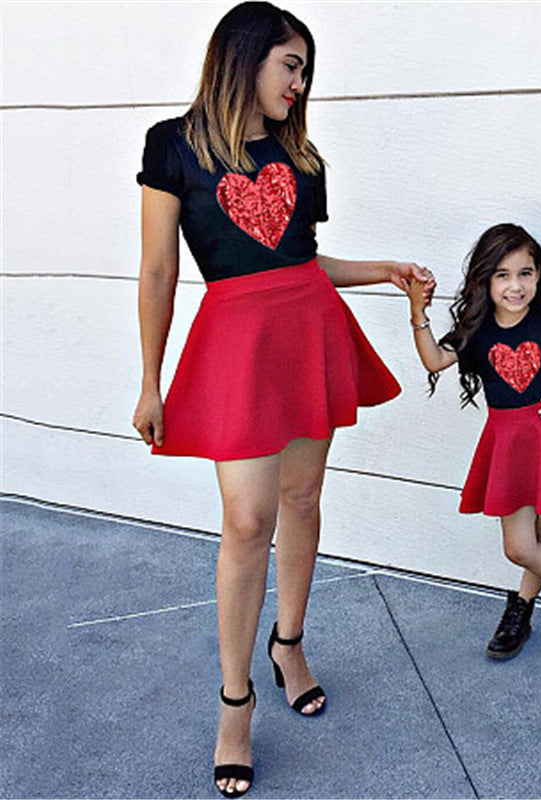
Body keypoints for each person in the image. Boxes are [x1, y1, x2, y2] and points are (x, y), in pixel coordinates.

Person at [131, 3, 433, 797]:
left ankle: (289, 641)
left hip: (307, 332)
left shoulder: (302, 157)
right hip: (237, 340)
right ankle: (237, 703)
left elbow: (297, 258)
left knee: (302, 496)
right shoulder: (174, 145)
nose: (300, 83)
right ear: (244, 57)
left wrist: (381, 270)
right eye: (289, 64)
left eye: (305, 69)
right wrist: (149, 380)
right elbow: (160, 271)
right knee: (246, 519)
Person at [404, 222, 541, 662]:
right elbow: (434, 359)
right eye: (503, 275)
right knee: (521, 547)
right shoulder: (477, 332)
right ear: (485, 280)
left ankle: (523, 611)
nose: (515, 285)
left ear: (538, 276)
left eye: (526, 273)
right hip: (508, 445)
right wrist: (418, 312)